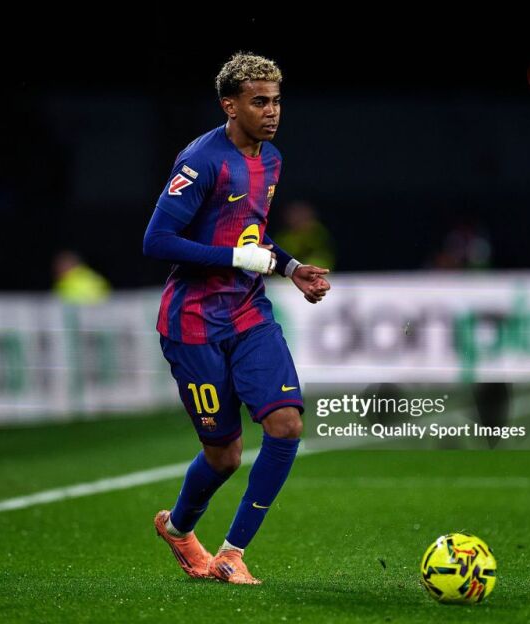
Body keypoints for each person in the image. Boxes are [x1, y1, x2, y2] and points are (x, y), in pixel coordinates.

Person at [142, 52, 331, 585]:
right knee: (224, 456)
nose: (272, 112)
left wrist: (289, 267)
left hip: (249, 311)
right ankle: (178, 529)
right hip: (194, 324)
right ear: (230, 106)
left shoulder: (271, 160)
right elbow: (156, 240)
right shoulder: (201, 161)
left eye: (276, 101)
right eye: (259, 102)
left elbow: (250, 232)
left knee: (286, 423)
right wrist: (233, 258)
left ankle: (232, 553)